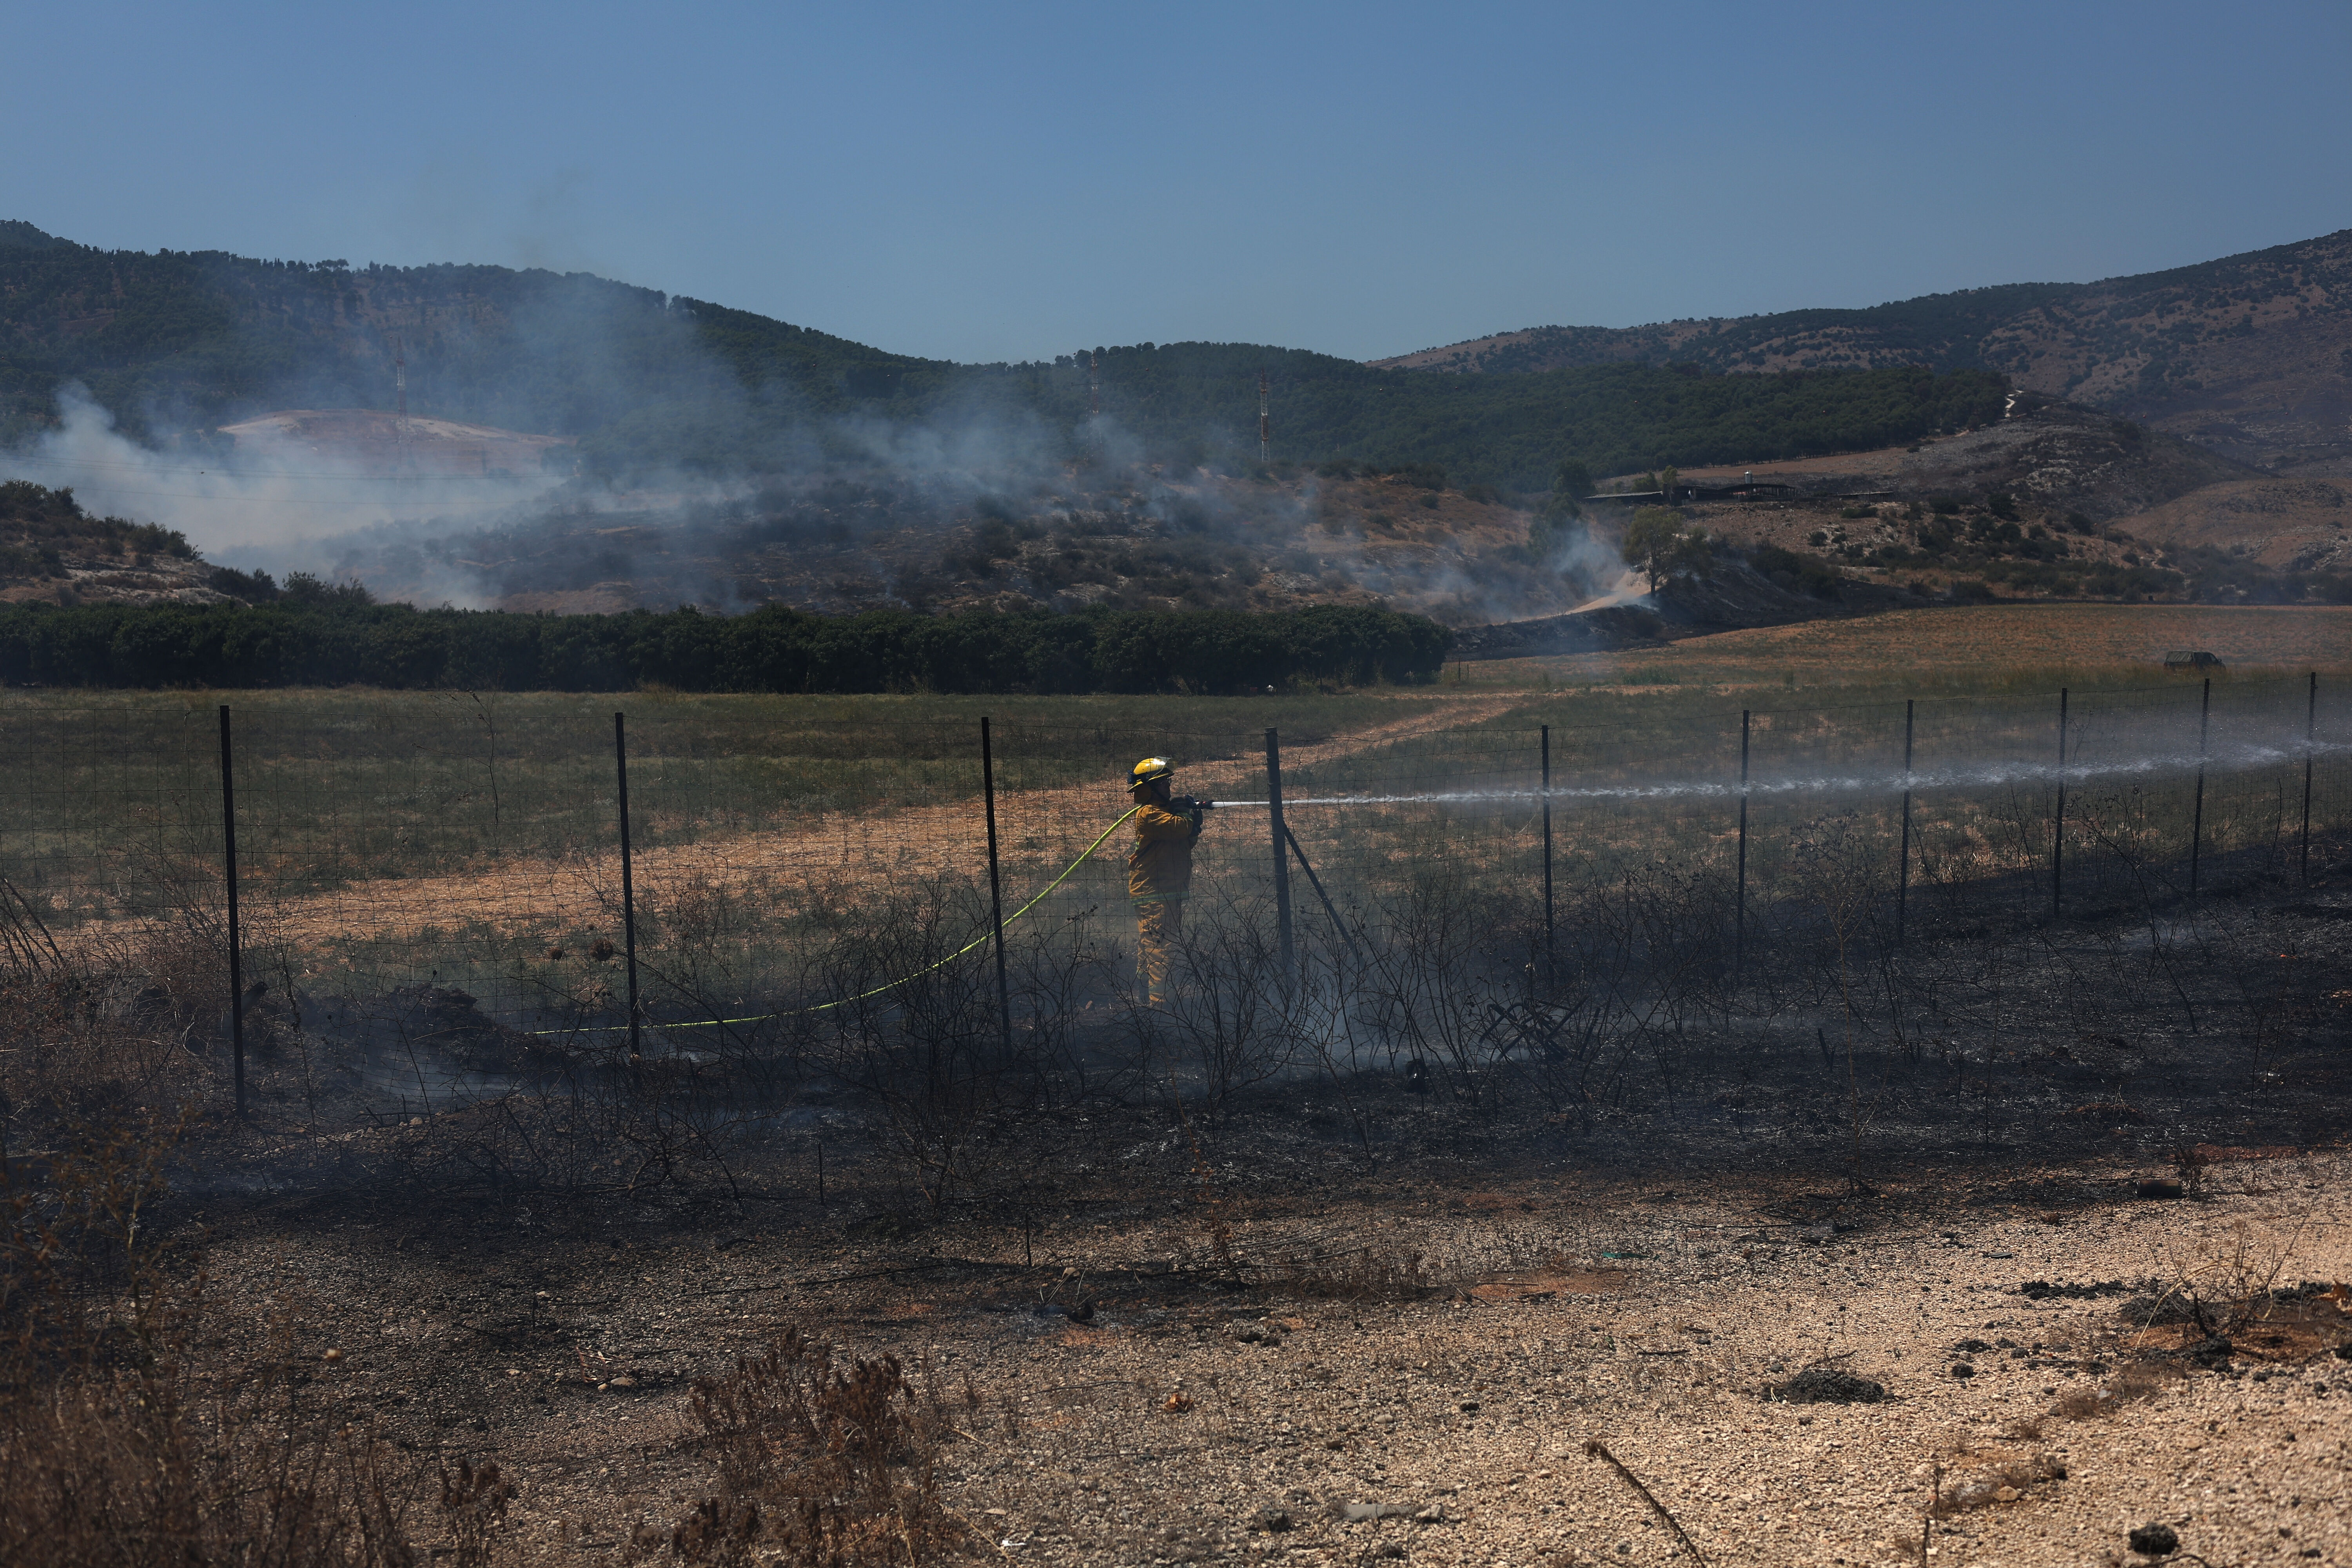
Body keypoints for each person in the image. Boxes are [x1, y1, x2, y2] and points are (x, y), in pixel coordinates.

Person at [1125, 756, 1209, 1005]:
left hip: (1168, 890)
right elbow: (1180, 829)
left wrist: (1193, 828)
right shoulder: (1149, 815)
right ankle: (1160, 1007)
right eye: (1162, 784)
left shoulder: (1163, 814)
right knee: (1161, 949)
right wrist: (1186, 814)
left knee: (1151, 944)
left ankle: (1142, 994)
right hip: (1155, 891)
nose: (1168, 788)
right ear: (1147, 789)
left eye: (1167, 783)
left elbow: (1183, 841)